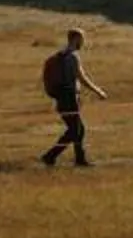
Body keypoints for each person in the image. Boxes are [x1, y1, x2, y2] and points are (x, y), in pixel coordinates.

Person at [42, 27, 107, 167]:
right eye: (82, 39)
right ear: (76, 39)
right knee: (76, 130)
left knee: (77, 129)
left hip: (62, 98)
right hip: (69, 98)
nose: (83, 42)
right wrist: (98, 91)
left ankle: (77, 159)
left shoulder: (60, 55)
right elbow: (82, 78)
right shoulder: (72, 57)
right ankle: (50, 156)